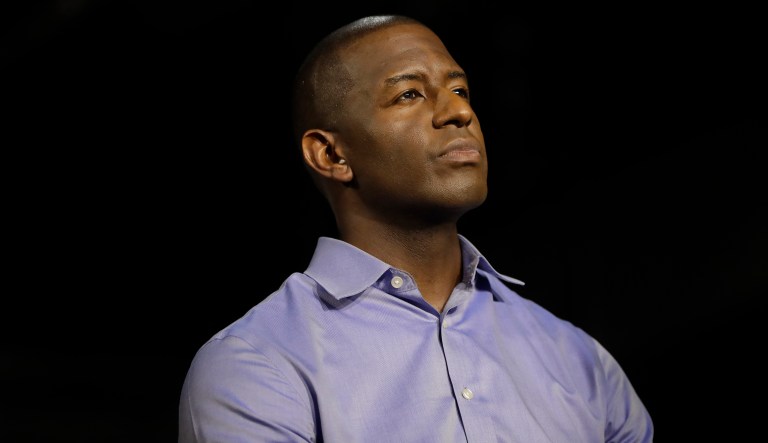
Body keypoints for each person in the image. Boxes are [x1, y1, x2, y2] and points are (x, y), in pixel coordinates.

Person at [178, 14, 654, 442]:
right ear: (331, 154)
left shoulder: (581, 361)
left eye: (460, 91)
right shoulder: (257, 364)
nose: (459, 112)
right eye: (409, 94)